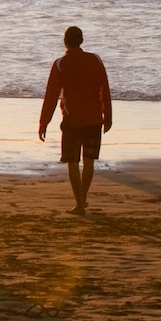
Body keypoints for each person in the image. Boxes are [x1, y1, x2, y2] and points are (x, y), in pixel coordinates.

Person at [39, 26, 112, 216]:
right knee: (89, 161)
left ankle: (80, 203)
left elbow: (51, 96)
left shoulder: (60, 64)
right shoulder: (95, 60)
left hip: (72, 122)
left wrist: (43, 122)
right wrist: (108, 117)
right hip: (94, 119)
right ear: (82, 40)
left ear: (65, 41)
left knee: (72, 162)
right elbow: (105, 89)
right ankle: (82, 200)